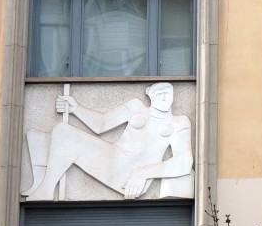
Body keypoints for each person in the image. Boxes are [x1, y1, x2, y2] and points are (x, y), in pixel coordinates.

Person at [22, 82, 193, 201]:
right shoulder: (135, 107)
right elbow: (101, 125)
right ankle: (42, 186)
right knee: (37, 136)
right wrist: (75, 109)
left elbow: (184, 162)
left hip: (131, 177)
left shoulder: (179, 122)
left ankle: (45, 190)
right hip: (113, 160)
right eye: (158, 93)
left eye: (167, 93)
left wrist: (142, 173)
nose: (164, 98)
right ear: (149, 94)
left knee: (63, 132)